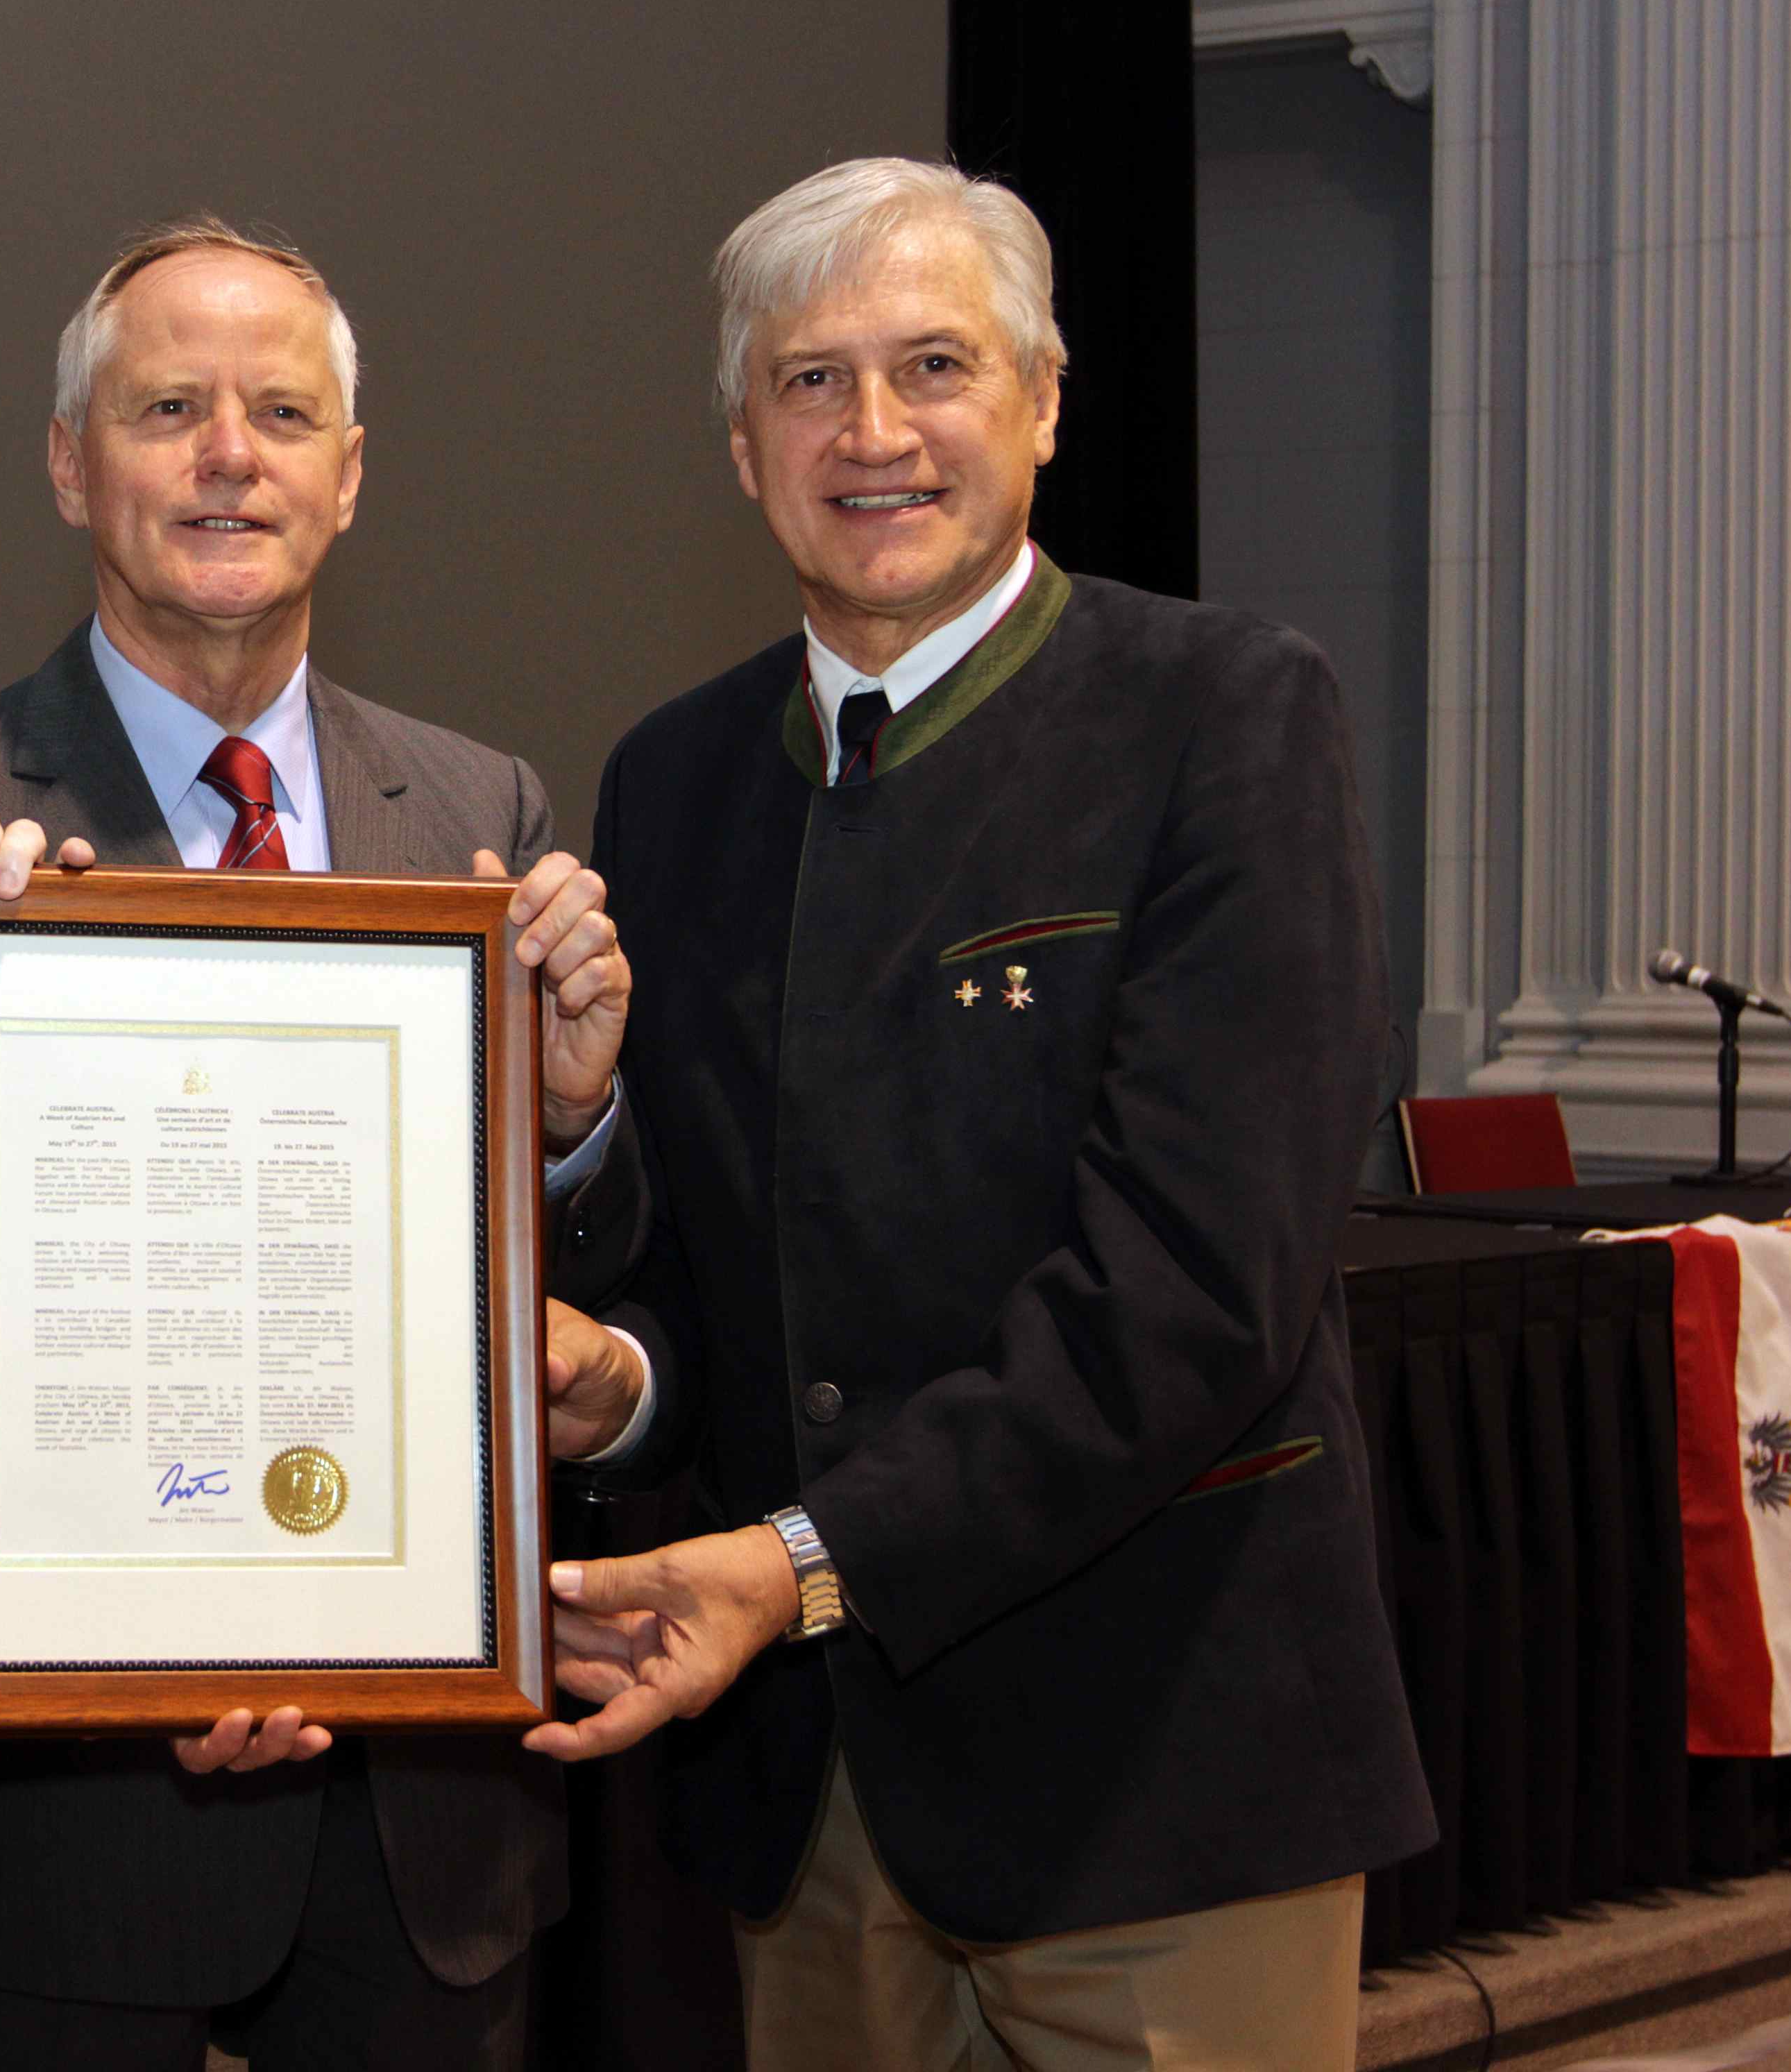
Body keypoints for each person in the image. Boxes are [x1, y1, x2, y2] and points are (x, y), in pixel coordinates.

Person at [527, 159, 1434, 2071]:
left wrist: (798, 1560)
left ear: (1041, 401)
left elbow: (1196, 1289)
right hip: (804, 1795)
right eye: (808, 381)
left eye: (934, 365)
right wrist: (617, 1364)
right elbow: (705, 1273)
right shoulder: (674, 777)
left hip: (1161, 1778)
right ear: (738, 441)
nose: (873, 433)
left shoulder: (1225, 716)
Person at [0, 217, 651, 2070]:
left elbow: (569, 1295)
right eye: (168, 406)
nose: (228, 455)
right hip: (50, 1847)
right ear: (69, 463)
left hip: (424, 1838)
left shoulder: (479, 814)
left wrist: (575, 1120)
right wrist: (134, 1656)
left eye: (282, 412)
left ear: (348, 479)